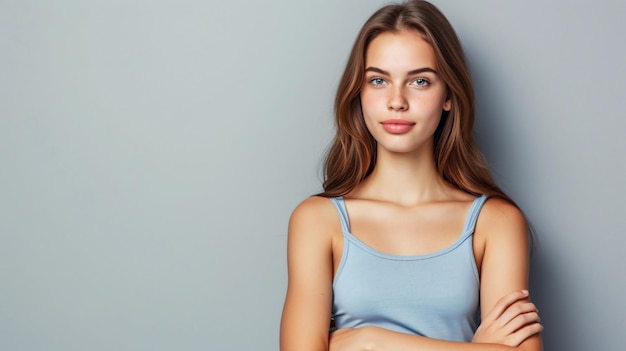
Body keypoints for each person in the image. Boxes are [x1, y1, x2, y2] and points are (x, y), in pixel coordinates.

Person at [280, 1, 543, 350]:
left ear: (448, 94)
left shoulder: (494, 221)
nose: (396, 101)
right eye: (378, 80)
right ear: (359, 93)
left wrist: (369, 342)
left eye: (420, 81)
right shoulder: (318, 220)